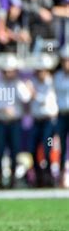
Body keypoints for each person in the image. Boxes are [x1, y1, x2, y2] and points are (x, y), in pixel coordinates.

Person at [0, 55, 32, 188]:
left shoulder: (19, 84)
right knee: (0, 151)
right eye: (6, 71)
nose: (8, 73)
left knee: (15, 151)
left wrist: (22, 84)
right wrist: (2, 109)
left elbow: (26, 98)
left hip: (15, 123)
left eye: (10, 70)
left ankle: (13, 180)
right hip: (1, 122)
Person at [28, 54, 58, 187]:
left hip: (49, 121)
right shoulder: (33, 82)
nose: (39, 73)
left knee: (47, 149)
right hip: (37, 120)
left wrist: (34, 95)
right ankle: (38, 178)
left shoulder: (52, 82)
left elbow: (46, 101)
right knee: (33, 149)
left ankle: (49, 177)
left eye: (42, 70)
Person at [55, 45, 69, 187]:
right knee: (61, 146)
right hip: (62, 114)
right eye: (64, 61)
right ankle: (61, 175)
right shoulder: (57, 76)